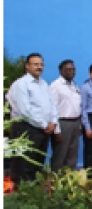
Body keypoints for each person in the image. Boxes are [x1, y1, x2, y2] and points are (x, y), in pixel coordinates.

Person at [10, 53, 59, 185]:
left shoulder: (43, 84)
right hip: (26, 128)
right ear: (27, 66)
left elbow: (52, 105)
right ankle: (23, 192)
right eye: (35, 64)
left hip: (43, 129)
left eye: (41, 64)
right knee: (25, 163)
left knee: (38, 161)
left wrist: (53, 122)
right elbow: (25, 110)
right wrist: (45, 125)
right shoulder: (21, 84)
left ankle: (35, 191)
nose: (39, 67)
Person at [49, 59, 81, 171]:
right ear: (61, 71)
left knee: (72, 154)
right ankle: (56, 181)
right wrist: (57, 130)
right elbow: (52, 109)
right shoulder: (55, 86)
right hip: (62, 124)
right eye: (67, 69)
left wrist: (79, 125)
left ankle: (70, 180)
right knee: (60, 154)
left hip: (75, 123)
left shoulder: (74, 85)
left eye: (73, 69)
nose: (71, 72)